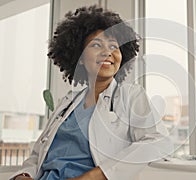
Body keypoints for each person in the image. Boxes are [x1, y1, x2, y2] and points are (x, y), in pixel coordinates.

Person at [11, 5, 171, 180]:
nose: (107, 52)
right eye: (96, 45)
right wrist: (24, 175)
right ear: (79, 59)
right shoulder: (69, 102)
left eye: (113, 46)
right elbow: (38, 152)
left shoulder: (130, 96)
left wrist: (95, 176)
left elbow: (158, 141)